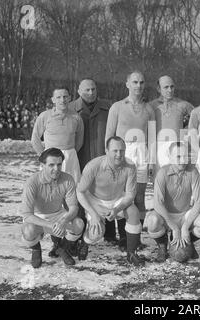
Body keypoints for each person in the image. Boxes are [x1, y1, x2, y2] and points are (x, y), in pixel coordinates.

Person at [105, 71, 155, 251]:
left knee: (140, 197)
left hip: (142, 154)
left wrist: (152, 161)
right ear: (127, 84)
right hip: (121, 153)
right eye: (134, 82)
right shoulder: (117, 107)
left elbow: (152, 138)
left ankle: (136, 236)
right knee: (121, 195)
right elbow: (109, 136)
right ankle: (123, 237)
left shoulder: (149, 109)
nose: (138, 86)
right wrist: (109, 158)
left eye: (141, 82)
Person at [76, 136, 144, 266]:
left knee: (134, 212)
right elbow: (80, 192)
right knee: (96, 234)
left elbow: (130, 194)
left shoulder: (130, 166)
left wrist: (117, 209)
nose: (119, 154)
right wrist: (94, 214)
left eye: (122, 151)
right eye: (115, 151)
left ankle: (131, 253)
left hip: (117, 199)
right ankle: (85, 242)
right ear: (106, 150)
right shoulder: (93, 166)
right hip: (96, 201)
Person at [145, 142, 200, 262]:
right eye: (178, 157)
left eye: (185, 156)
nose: (183, 160)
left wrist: (185, 227)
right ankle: (162, 245)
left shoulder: (193, 172)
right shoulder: (162, 172)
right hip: (166, 215)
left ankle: (187, 242)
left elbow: (199, 201)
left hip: (185, 213)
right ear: (170, 157)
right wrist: (173, 227)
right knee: (152, 221)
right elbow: (158, 203)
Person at [68, 79, 116, 244]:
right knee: (79, 193)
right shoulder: (70, 109)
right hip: (80, 157)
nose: (91, 92)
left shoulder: (107, 108)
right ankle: (78, 232)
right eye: (87, 90)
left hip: (102, 156)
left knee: (106, 191)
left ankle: (109, 232)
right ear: (79, 91)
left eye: (93, 89)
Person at [20, 148, 84, 268]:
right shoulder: (32, 182)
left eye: (59, 164)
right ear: (42, 165)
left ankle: (62, 248)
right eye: (51, 165)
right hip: (37, 216)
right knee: (28, 231)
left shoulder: (67, 179)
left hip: (57, 214)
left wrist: (63, 221)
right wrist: (52, 226)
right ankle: (36, 250)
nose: (56, 169)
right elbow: (27, 215)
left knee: (79, 224)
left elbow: (73, 208)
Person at [31, 87, 84, 183]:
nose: (62, 100)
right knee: (48, 187)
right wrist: (44, 156)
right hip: (50, 157)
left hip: (70, 158)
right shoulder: (44, 116)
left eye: (65, 97)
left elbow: (80, 140)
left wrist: (69, 153)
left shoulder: (76, 117)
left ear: (70, 98)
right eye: (58, 97)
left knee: (71, 186)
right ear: (53, 100)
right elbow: (35, 138)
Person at [149, 75, 194, 173]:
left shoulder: (183, 104)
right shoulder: (151, 106)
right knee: (159, 179)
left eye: (172, 86)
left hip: (177, 148)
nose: (170, 90)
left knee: (177, 179)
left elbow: (197, 116)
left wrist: (187, 129)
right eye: (166, 87)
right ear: (158, 89)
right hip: (158, 149)